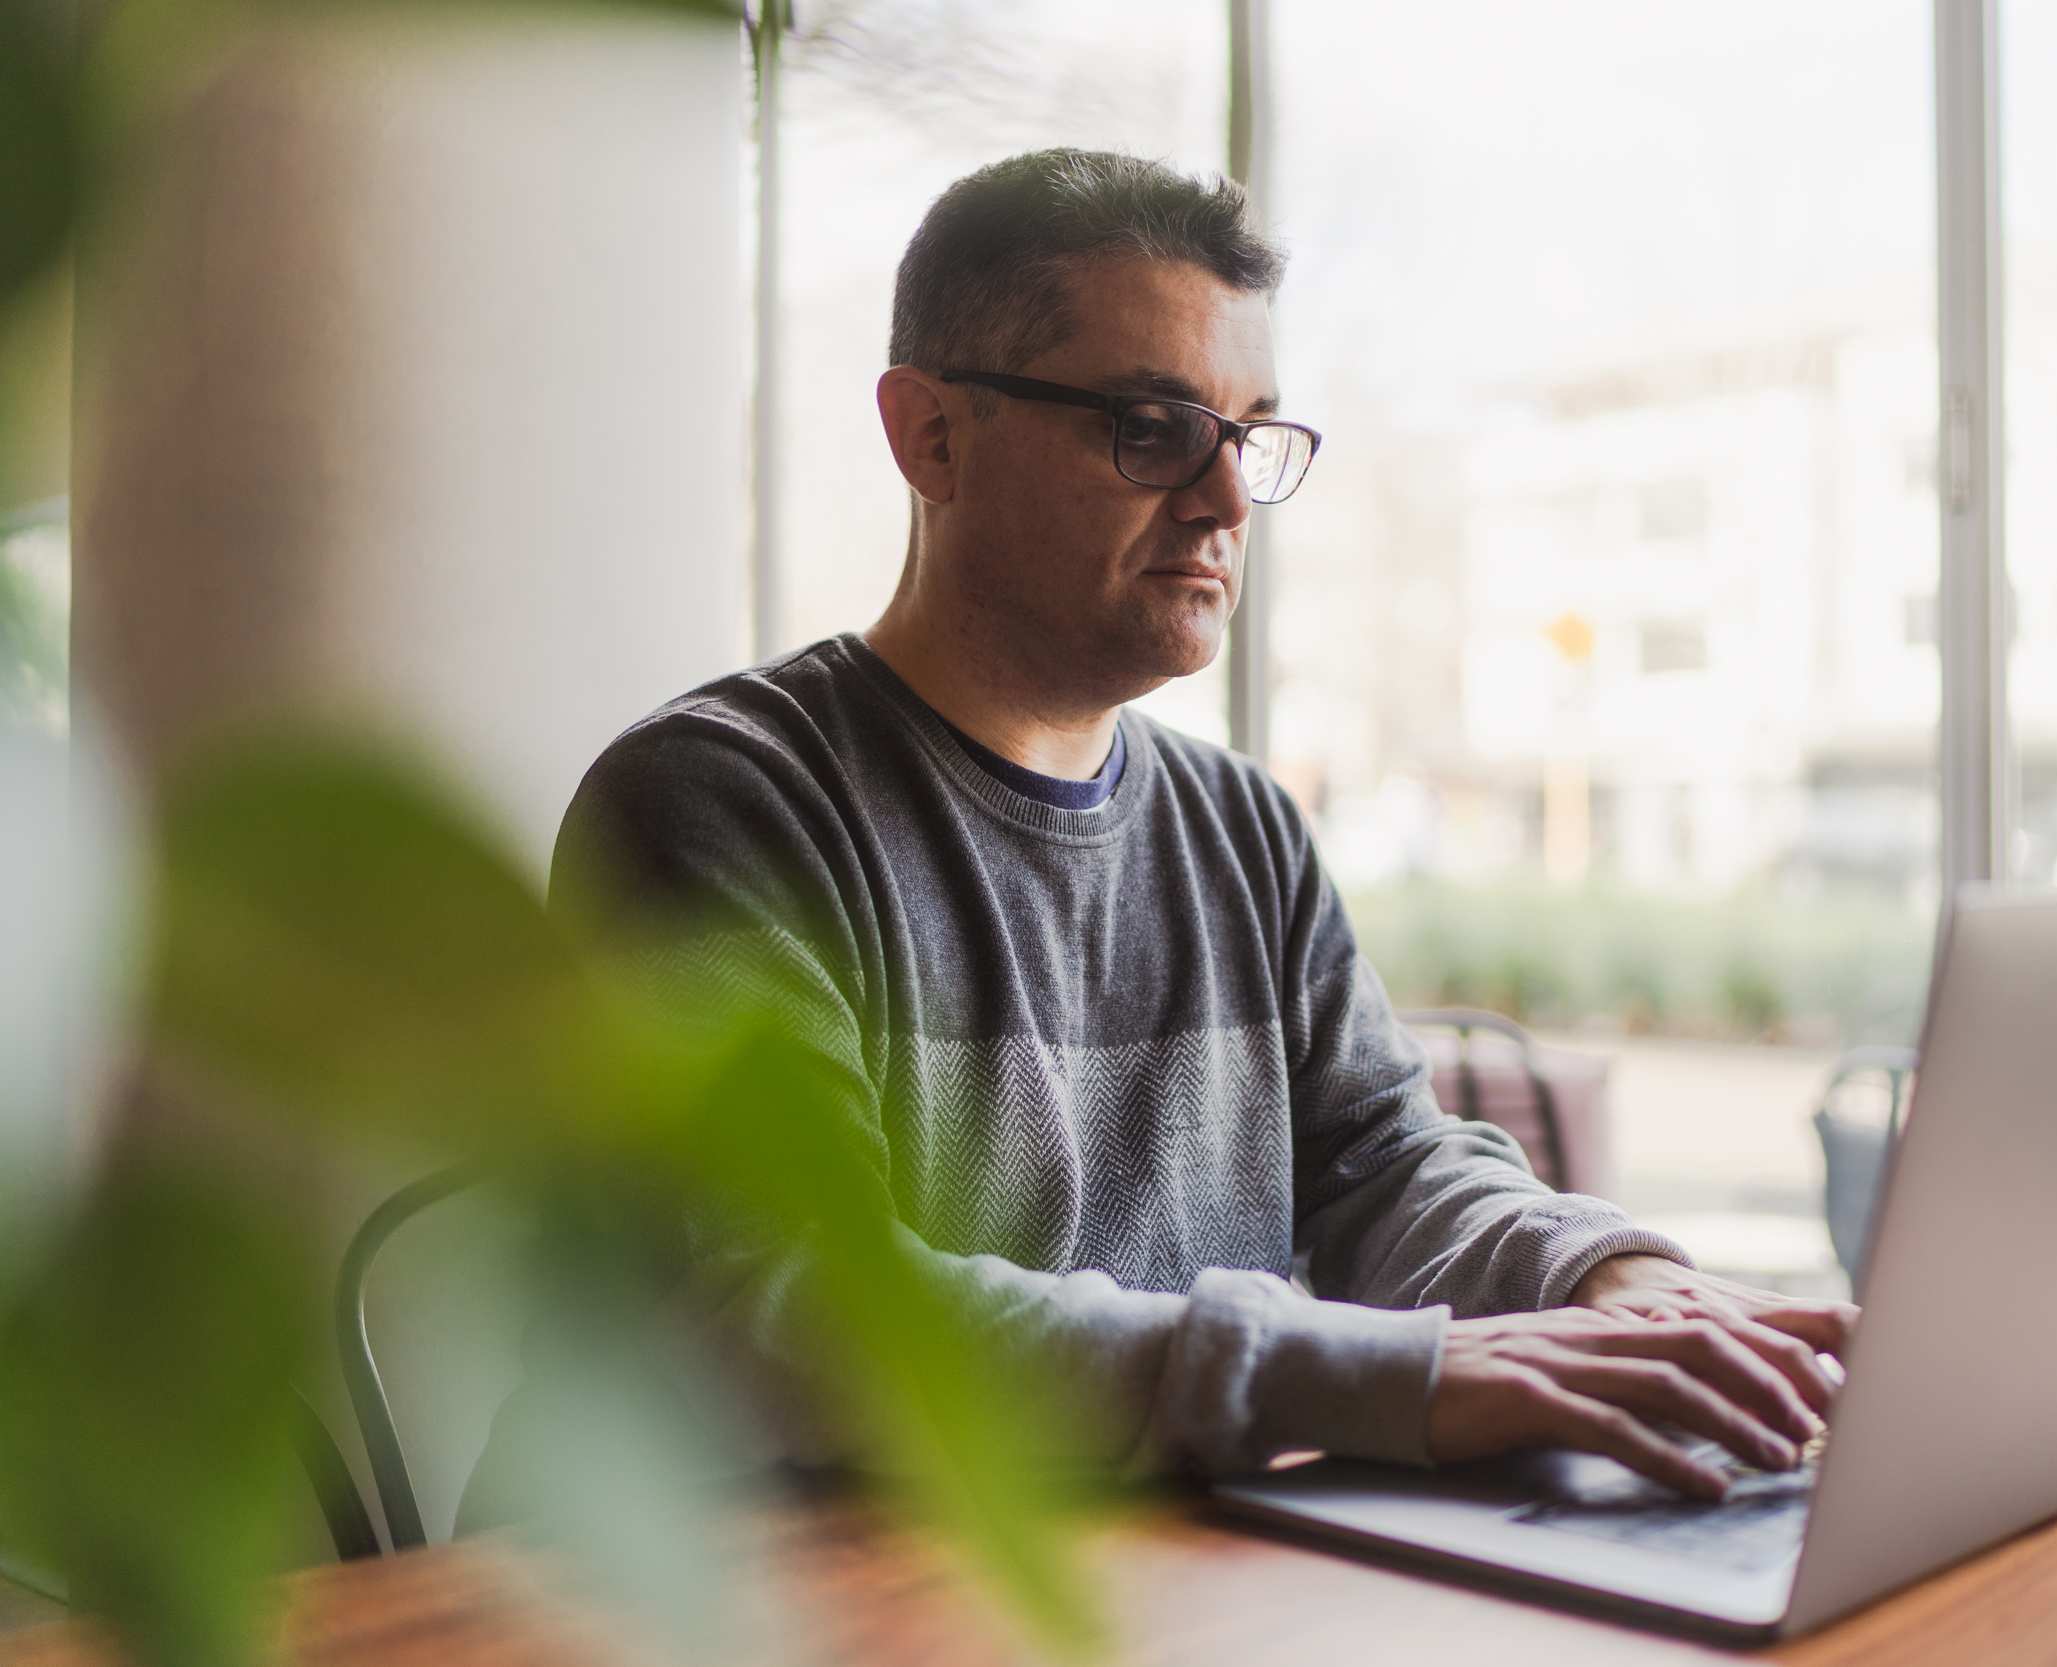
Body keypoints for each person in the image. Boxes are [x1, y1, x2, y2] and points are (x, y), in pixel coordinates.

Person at [510, 148, 1855, 1509]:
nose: (1222, 503)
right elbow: (790, 1312)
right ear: (929, 437)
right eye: (1151, 429)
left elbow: (1386, 1171)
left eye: (1250, 436)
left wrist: (1611, 1282)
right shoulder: (717, 802)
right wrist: (1404, 1382)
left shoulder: (1244, 829)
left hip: (1170, 1587)